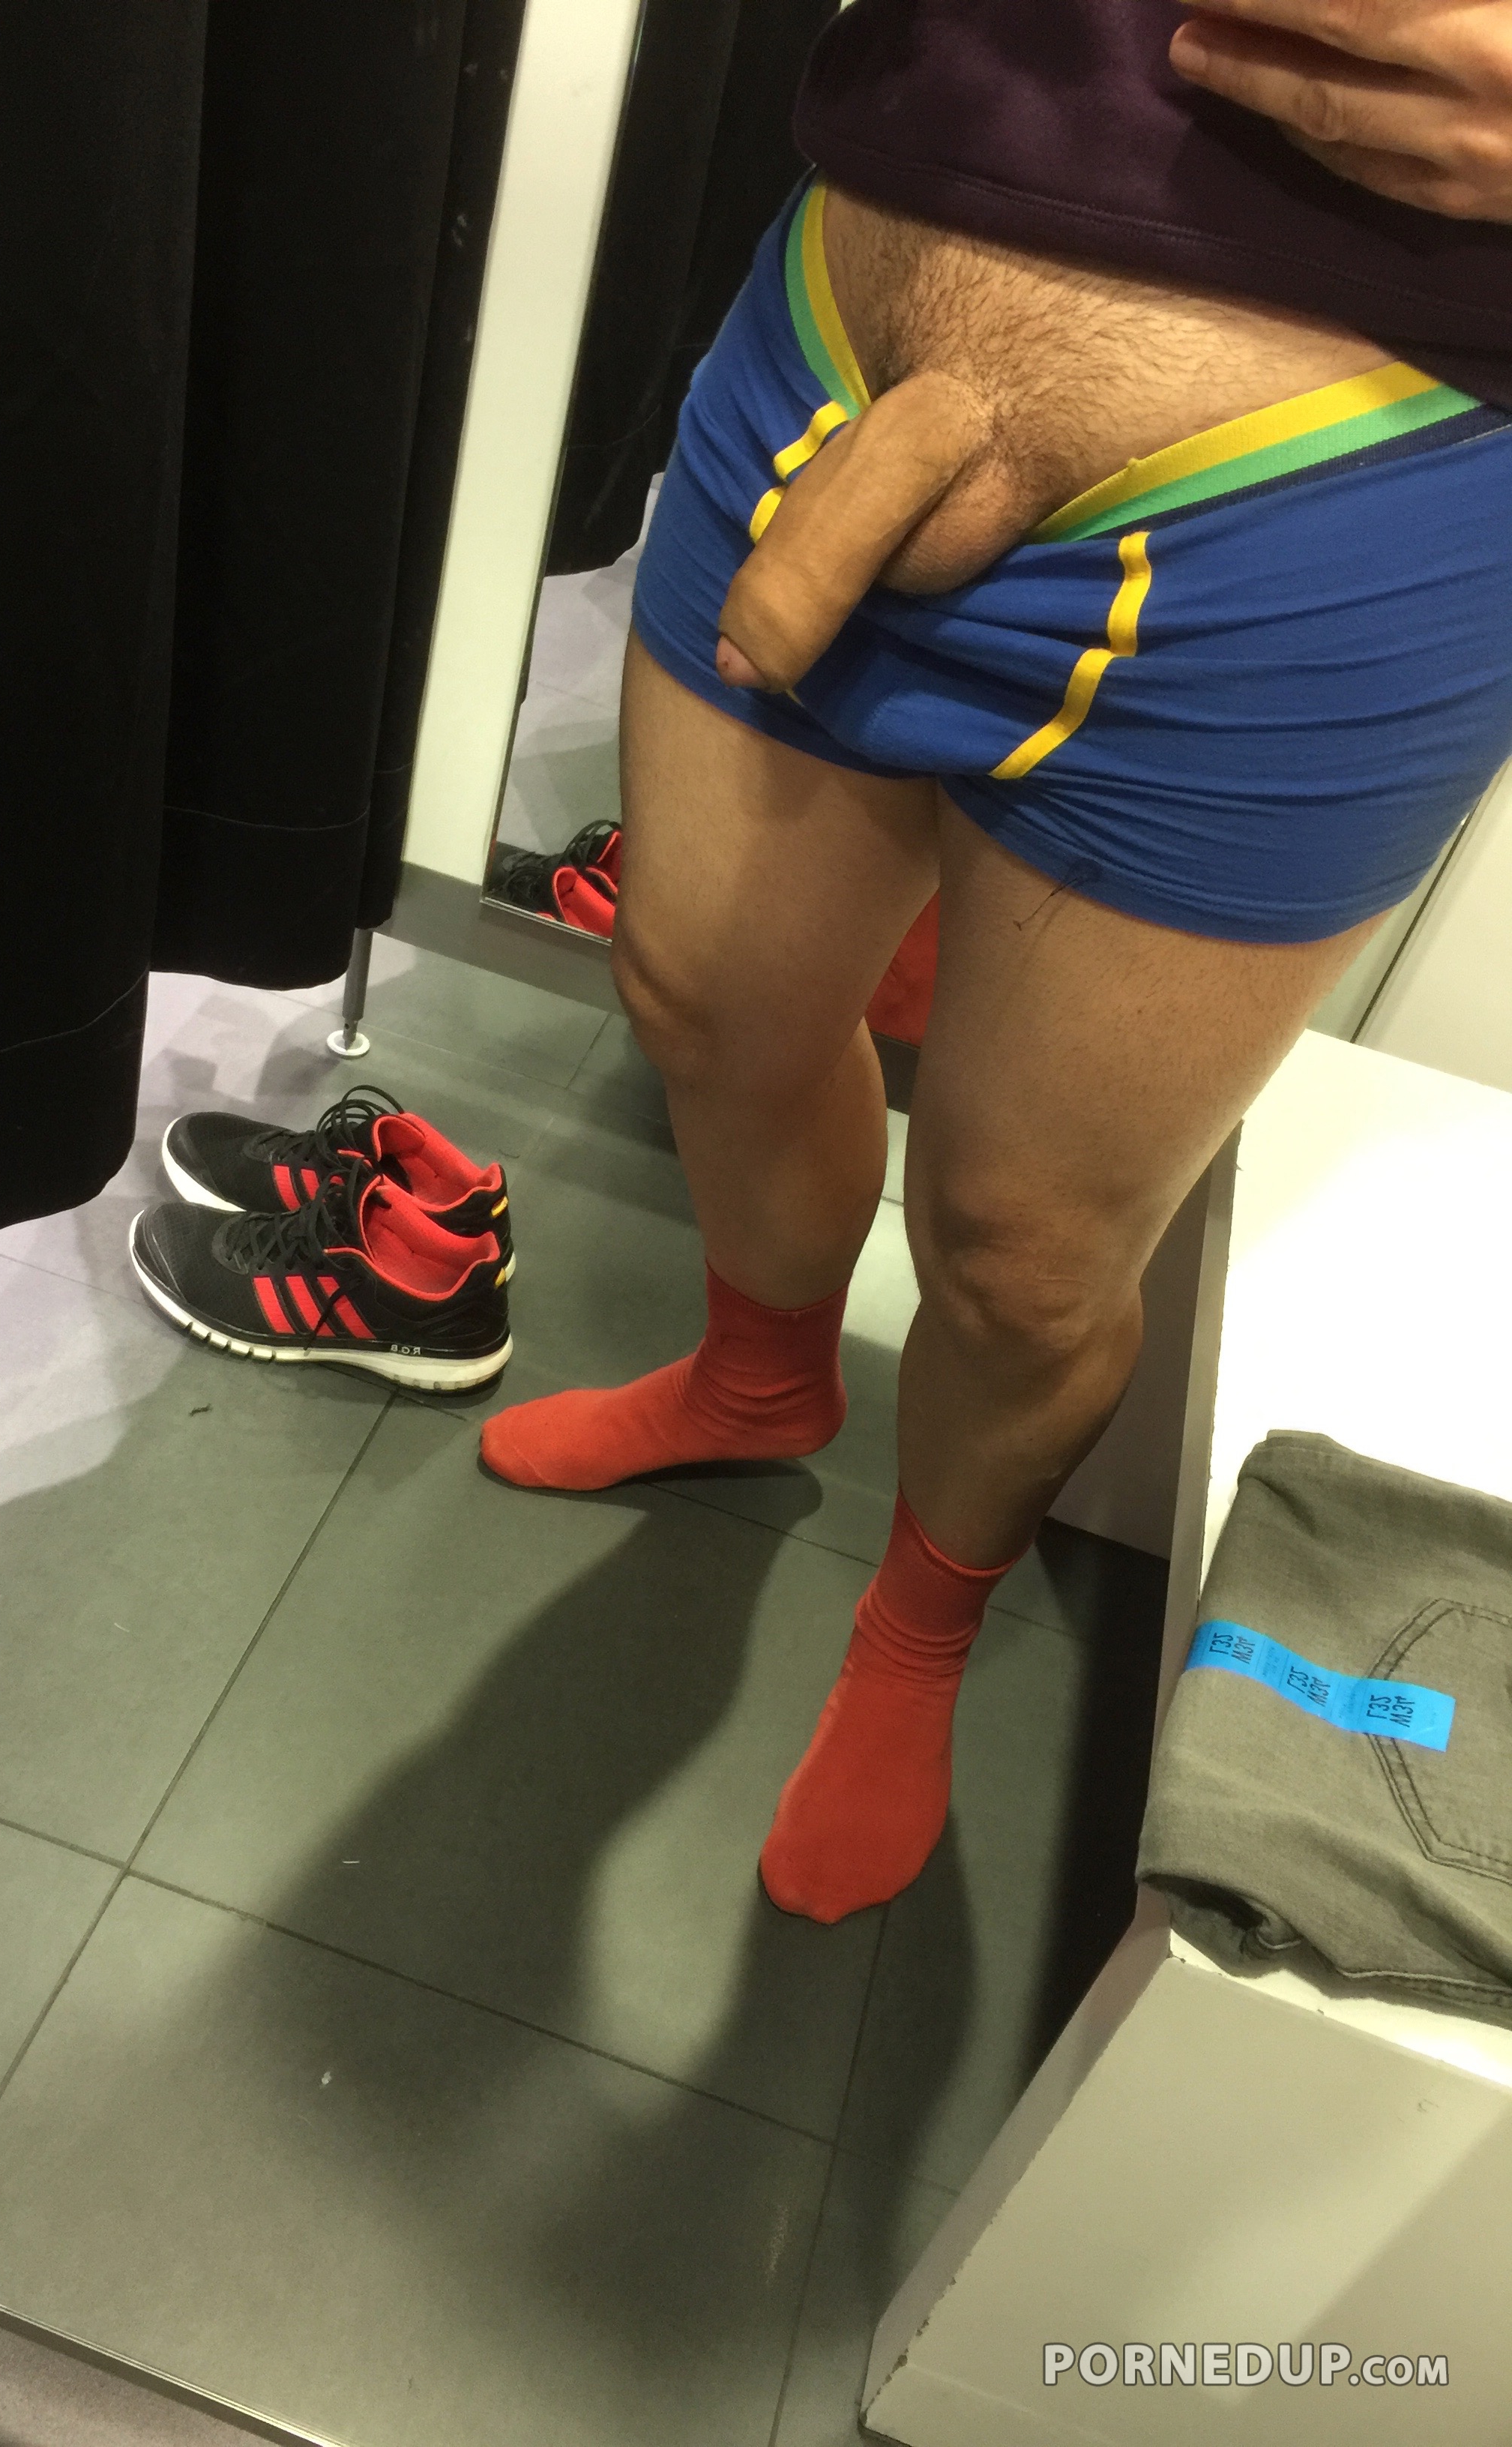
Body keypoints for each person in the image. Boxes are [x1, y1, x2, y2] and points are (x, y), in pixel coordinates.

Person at [479, 0, 1512, 1924]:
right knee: (699, 999)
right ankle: (757, 1381)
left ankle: (919, 1628)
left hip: (1364, 480)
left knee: (1027, 1255)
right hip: (847, 313)